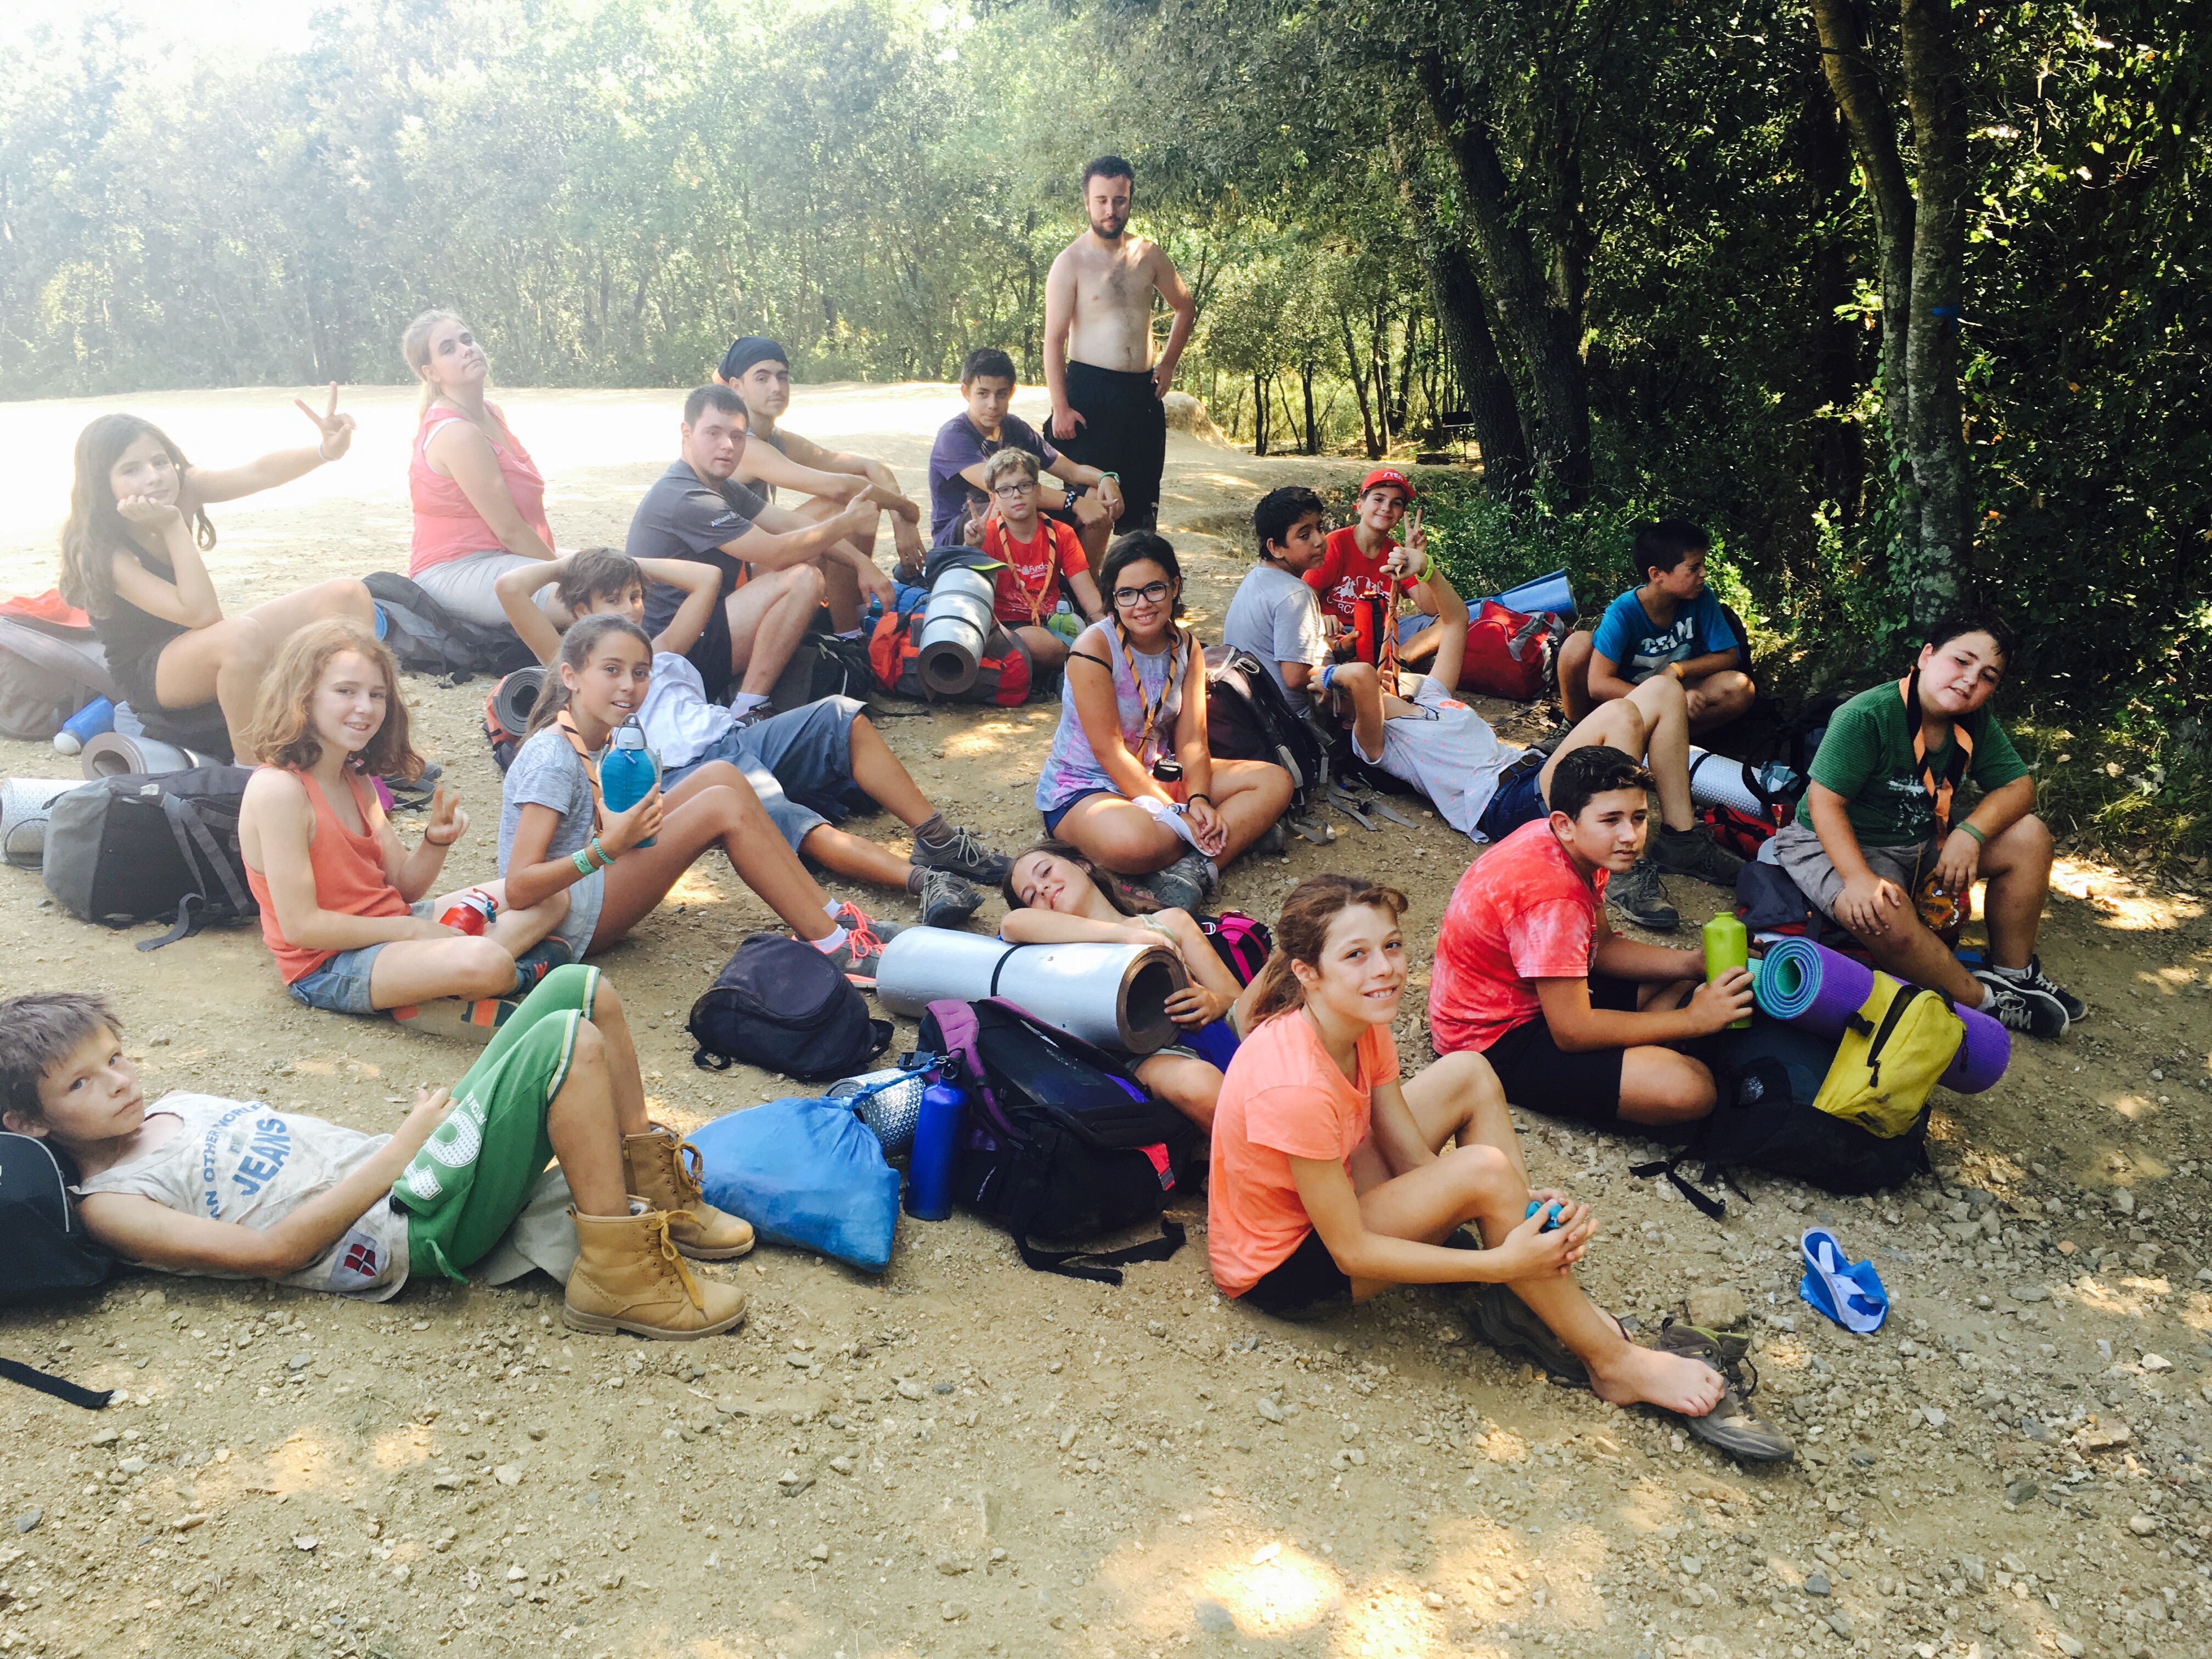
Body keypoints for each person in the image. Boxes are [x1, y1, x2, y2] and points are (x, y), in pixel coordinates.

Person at [1205, 875, 1787, 1458]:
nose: (1384, 969)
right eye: (1355, 955)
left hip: (1336, 1194)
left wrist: (1514, 1204)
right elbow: (1350, 1252)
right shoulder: (1295, 1086)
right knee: (1483, 1172)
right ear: (1307, 972)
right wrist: (1495, 1261)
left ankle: (1526, 1261)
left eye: (1392, 945)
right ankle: (1615, 1363)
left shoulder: (1356, 1021)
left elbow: (1408, 1156)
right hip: (1289, 1268)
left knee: (1470, 1073)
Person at [0, 974, 755, 1338]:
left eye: (115, 1058)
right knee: (566, 1044)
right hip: (404, 1230)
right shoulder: (113, 1205)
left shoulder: (177, 1106)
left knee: (577, 989)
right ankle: (617, 1277)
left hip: (419, 1175)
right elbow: (272, 1252)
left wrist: (409, 1153)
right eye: (81, 1083)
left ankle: (655, 1188)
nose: (119, 1083)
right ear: (28, 1122)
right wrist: (401, 1150)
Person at [1239, 487, 1741, 929]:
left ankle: (1681, 838)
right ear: (1350, 710)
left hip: (1533, 771)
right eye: (1351, 698)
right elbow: (1362, 678)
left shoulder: (1430, 695)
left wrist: (1425, 569)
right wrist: (1329, 677)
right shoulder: (1377, 741)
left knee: (1664, 691)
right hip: (1505, 804)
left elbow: (1457, 620)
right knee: (1624, 714)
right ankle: (1620, 871)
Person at [500, 549, 1009, 928]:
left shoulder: (658, 652)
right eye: (613, 599)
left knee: (840, 717)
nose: (631, 609)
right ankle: (923, 882)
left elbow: (707, 579)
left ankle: (940, 841)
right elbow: (509, 589)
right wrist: (573, 563)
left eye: (635, 596)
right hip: (686, 771)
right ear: (580, 612)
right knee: (787, 816)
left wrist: (624, 562)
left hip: (737, 736)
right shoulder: (583, 667)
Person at [498, 613, 905, 985]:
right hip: (567, 919)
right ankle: (832, 947)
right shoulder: (553, 758)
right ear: (570, 676)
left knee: (721, 775)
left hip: (592, 879)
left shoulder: (600, 735)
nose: (628, 685)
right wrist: (606, 850)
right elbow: (517, 889)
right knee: (720, 807)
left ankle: (832, 917)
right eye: (611, 670)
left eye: (640, 673)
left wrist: (619, 836)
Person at [238, 618, 569, 1029]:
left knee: (548, 896)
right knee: (485, 961)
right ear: (302, 697)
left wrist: (435, 842)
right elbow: (302, 927)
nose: (365, 707)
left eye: (377, 694)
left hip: (392, 926)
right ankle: (503, 977)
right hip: (329, 963)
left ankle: (433, 988)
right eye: (346, 691)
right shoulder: (279, 791)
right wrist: (412, 932)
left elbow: (403, 888)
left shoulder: (354, 776)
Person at [1765, 611, 2084, 1037]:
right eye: (1962, 661)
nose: (1970, 680)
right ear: (1927, 656)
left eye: (1988, 676)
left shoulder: (1973, 720)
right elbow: (1825, 804)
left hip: (1922, 840)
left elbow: (2019, 787)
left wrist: (1970, 834)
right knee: (1881, 910)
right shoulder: (1867, 715)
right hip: (1837, 843)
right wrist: (1857, 878)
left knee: (2031, 836)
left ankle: (2015, 973)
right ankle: (1986, 1000)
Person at [1426, 748, 1759, 1134]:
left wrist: (1692, 963)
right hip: (1491, 1040)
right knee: (1691, 1089)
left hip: (1538, 995)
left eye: (1639, 817)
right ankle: (1642, 1058)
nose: (1630, 836)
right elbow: (1573, 1032)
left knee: (1684, 978)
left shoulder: (1569, 845)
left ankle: (1637, 1051)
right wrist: (1691, 1021)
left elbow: (1604, 949)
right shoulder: (1555, 897)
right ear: (1565, 823)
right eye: (1611, 820)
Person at [59, 405, 376, 763]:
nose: (154, 477)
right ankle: (250, 771)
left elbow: (259, 472)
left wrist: (325, 451)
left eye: (160, 462)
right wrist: (173, 525)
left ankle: (351, 740)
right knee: (238, 636)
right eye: (131, 470)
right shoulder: (102, 550)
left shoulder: (184, 489)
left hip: (206, 640)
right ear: (101, 484)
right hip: (153, 672)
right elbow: (203, 615)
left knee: (348, 596)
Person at [1035, 534, 1293, 910]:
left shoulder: (1187, 647)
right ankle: (1232, 836)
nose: (1141, 604)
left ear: (1174, 587)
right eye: (1127, 594)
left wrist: (1199, 799)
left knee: (1274, 781)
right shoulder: (1094, 648)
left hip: (1157, 771)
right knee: (1134, 844)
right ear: (1113, 598)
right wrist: (1177, 815)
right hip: (1087, 784)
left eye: (1153, 589)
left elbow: (1192, 741)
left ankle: (1195, 869)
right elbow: (1108, 751)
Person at [625, 384, 889, 719]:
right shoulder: (687, 497)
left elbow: (791, 524)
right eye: (713, 433)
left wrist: (862, 562)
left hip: (707, 622)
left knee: (811, 541)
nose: (727, 445)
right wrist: (848, 522)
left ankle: (843, 638)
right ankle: (748, 706)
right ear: (686, 433)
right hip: (679, 649)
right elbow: (777, 553)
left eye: (737, 436)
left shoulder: (721, 487)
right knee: (803, 579)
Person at [1000, 838, 1263, 1129]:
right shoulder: (1053, 952)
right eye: (1031, 896)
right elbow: (1012, 924)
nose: (1042, 888)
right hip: (1147, 1057)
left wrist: (1212, 1001)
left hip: (1211, 1024)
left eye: (1046, 871)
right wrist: (1126, 935)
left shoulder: (1170, 922)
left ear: (1082, 864)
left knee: (1289, 961)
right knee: (1197, 1083)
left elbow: (1234, 997)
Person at [1042, 156, 1197, 537]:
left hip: (1141, 394)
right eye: (1101, 200)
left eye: (1119, 200)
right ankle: (1082, 579)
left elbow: (1185, 306)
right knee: (1091, 511)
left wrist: (1168, 363)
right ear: (1087, 202)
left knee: (1141, 514)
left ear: (1130, 199)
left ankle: (1137, 575)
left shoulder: (1148, 254)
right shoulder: (1070, 262)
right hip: (1090, 394)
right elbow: (1054, 339)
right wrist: (1060, 407)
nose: (1111, 210)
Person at [714, 335, 929, 597]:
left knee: (858, 499)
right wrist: (908, 508)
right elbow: (840, 488)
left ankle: (851, 613)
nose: (776, 387)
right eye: (762, 378)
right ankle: (849, 619)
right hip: (734, 579)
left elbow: (870, 467)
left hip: (762, 556)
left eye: (782, 377)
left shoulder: (776, 439)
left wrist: (901, 519)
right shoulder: (743, 445)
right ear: (737, 387)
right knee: (848, 503)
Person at [402, 310, 564, 629]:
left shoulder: (492, 412)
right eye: (449, 349)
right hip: (457, 569)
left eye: (467, 339)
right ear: (431, 372)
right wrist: (569, 573)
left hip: (504, 556)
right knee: (598, 596)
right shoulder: (455, 432)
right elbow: (510, 530)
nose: (466, 350)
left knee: (617, 567)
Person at [926, 348, 1125, 566]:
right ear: (966, 392)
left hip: (1018, 510)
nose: (993, 404)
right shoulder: (952, 437)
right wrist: (1074, 503)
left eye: (1001, 394)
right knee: (1005, 505)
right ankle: (1014, 581)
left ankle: (1085, 580)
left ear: (1011, 392)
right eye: (983, 394)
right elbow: (1004, 488)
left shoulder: (1014, 428)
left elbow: (1071, 470)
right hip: (963, 533)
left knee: (1096, 497)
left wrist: (1105, 478)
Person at [1556, 519, 1754, 734]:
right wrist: (1668, 701)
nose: (1703, 573)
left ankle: (1672, 737)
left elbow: (1728, 656)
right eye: (1694, 568)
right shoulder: (1623, 612)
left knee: (1739, 689)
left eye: (1703, 565)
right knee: (1577, 644)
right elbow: (1599, 684)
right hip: (1628, 701)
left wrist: (1678, 669)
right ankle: (1572, 729)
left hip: (1678, 691)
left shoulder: (1702, 598)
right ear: (1657, 575)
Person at [964, 448, 1107, 672]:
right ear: (993, 499)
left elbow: (1087, 593)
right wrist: (972, 546)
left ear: (1038, 491)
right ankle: (1081, 660)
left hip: (1054, 622)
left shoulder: (1061, 533)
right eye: (1005, 490)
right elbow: (965, 587)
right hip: (1005, 627)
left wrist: (1108, 627)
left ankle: (1082, 660)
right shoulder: (986, 536)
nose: (1016, 495)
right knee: (1034, 640)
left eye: (1025, 485)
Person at [1305, 468, 1447, 669]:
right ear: (1360, 506)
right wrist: (1321, 619)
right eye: (1379, 499)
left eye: (1396, 503)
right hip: (1341, 633)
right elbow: (1303, 600)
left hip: (1382, 633)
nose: (1387, 508)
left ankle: (1395, 664)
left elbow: (1431, 609)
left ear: (1401, 514)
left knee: (1447, 622)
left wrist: (1418, 559)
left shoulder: (1397, 553)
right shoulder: (1336, 544)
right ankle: (1367, 665)